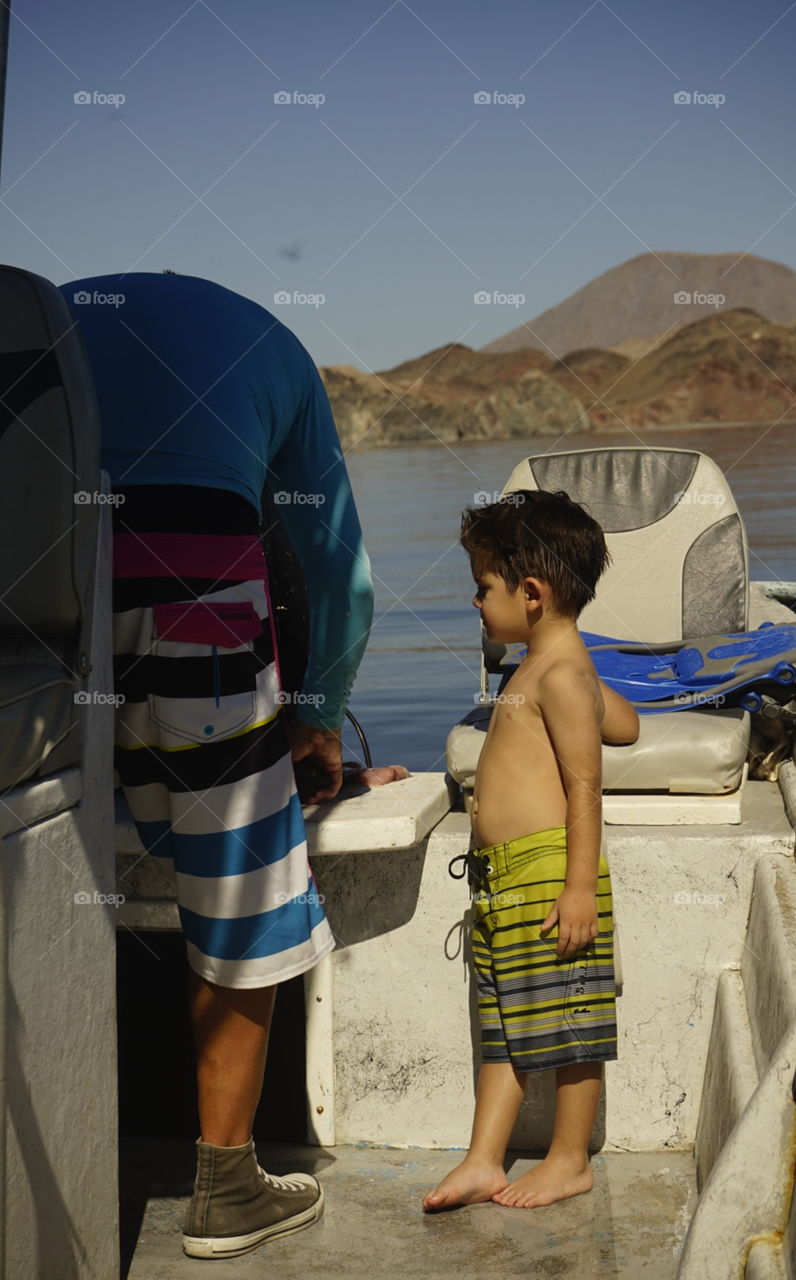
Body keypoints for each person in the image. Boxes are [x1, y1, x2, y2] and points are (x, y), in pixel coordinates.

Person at [59, 272, 374, 1259]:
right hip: (195, 581)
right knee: (242, 890)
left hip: (38, 580)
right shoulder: (275, 345)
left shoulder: (44, 314)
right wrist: (315, 720)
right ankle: (229, 1186)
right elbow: (340, 573)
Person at [424, 489, 638, 1211]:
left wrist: (579, 888)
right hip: (503, 882)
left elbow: (585, 787)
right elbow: (624, 727)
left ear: (533, 594)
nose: (477, 603)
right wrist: (603, 699)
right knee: (507, 1024)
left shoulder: (558, 673)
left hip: (551, 876)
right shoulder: (550, 665)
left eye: (483, 588)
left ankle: (569, 1158)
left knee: (569, 1023)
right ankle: (485, 1158)